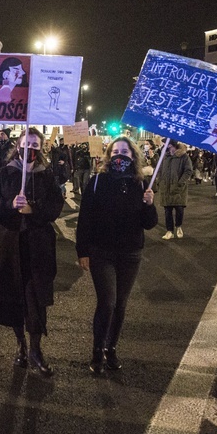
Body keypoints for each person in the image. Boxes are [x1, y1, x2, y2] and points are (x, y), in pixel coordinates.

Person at [0, 127, 64, 377]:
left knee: (36, 300)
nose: (30, 148)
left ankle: (36, 350)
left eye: (35, 145)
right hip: (9, 247)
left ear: (41, 149)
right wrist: (9, 205)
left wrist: (34, 209)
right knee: (12, 299)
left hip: (37, 248)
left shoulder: (46, 175)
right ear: (17, 146)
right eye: (26, 144)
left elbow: (55, 206)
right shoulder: (5, 174)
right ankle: (20, 345)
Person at [75, 137, 157, 374]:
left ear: (133, 156)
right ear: (109, 156)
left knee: (120, 304)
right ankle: (97, 351)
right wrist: (83, 251)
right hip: (102, 253)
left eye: (125, 151)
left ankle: (111, 348)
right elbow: (85, 219)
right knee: (107, 302)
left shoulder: (141, 184)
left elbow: (149, 224)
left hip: (131, 254)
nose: (120, 156)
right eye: (116, 152)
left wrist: (149, 205)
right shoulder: (98, 181)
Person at [156, 139, 193, 239]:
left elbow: (188, 171)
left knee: (179, 209)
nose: (165, 146)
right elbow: (159, 169)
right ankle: (169, 231)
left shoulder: (184, 156)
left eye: (167, 144)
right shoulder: (164, 156)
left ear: (172, 145)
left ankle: (178, 226)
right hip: (166, 187)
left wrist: (180, 182)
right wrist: (159, 180)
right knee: (167, 210)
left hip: (178, 188)